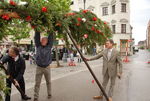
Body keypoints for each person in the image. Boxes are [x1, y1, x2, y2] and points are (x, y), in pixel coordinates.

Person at [34, 31, 53, 101]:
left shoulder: (49, 46)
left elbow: (51, 37)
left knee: (48, 82)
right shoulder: (38, 46)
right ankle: (36, 97)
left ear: (47, 41)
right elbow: (36, 37)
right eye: (41, 40)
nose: (42, 41)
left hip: (47, 67)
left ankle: (49, 94)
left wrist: (51, 29)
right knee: (37, 83)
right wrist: (37, 29)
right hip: (39, 67)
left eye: (44, 40)